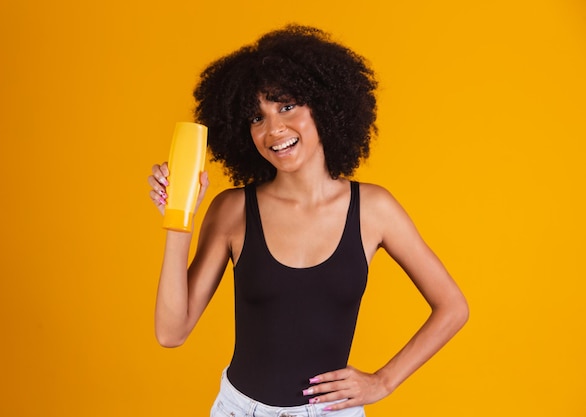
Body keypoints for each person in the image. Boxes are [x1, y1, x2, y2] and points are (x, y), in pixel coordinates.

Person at [147, 24, 468, 417]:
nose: (273, 129)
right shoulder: (232, 210)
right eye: (256, 117)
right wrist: (179, 218)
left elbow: (453, 306)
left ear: (323, 105)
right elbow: (171, 331)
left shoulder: (373, 209)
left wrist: (384, 381)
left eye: (286, 106)